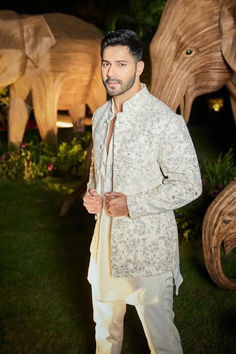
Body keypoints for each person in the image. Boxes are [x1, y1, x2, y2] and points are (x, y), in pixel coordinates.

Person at [83, 29, 202, 354]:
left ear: (139, 68)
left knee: (161, 341)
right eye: (106, 64)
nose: (111, 73)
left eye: (121, 64)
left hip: (147, 249)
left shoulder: (163, 121)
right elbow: (97, 174)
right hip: (104, 247)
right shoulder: (100, 117)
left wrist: (133, 204)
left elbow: (190, 183)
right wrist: (91, 195)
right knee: (105, 335)